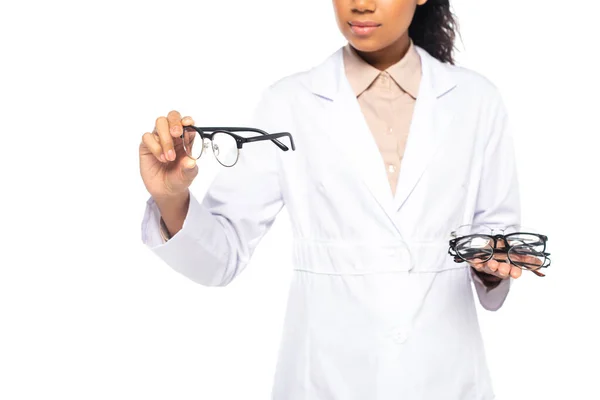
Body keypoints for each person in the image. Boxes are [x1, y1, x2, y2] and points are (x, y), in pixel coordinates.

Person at [139, 0, 523, 398]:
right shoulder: (288, 103)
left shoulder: (477, 101)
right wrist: (172, 199)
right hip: (325, 378)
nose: (360, 4)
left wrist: (491, 265)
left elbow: (498, 236)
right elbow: (221, 257)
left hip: (443, 376)